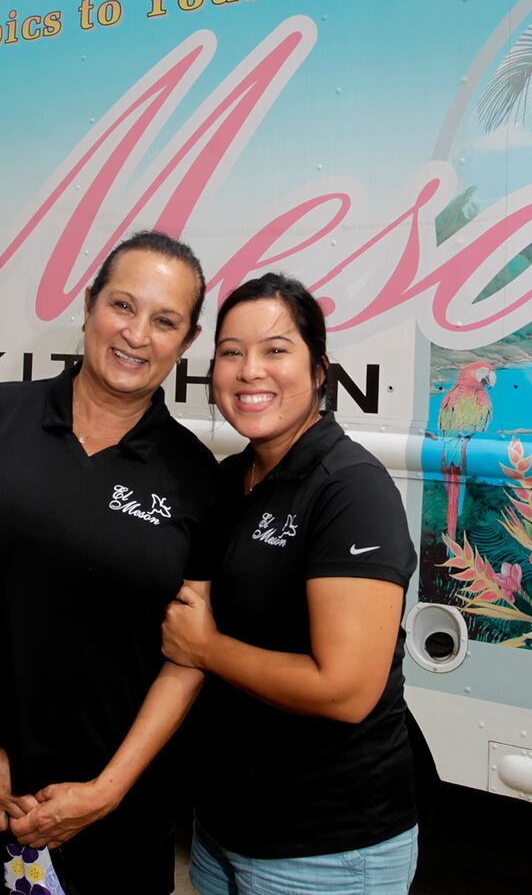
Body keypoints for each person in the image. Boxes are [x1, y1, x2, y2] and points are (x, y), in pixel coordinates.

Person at [0, 230, 220, 895]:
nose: (136, 334)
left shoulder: (195, 476)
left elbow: (189, 657)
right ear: (89, 305)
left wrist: (105, 790)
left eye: (165, 321)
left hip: (113, 820)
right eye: (122, 305)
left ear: (185, 345)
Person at [162, 272, 419, 894]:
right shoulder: (226, 483)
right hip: (222, 832)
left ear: (318, 371)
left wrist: (207, 648)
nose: (251, 370)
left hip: (328, 850)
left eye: (276, 350)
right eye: (231, 352)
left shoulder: (349, 488)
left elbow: (346, 690)